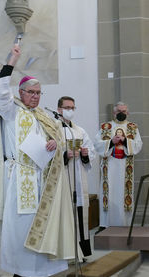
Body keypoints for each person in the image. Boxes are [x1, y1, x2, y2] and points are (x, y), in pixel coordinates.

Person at [0, 44, 76, 277]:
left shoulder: (44, 116)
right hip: (19, 178)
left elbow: (57, 142)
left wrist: (55, 144)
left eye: (38, 93)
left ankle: (41, 273)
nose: (34, 96)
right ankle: (20, 274)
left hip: (43, 179)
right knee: (20, 227)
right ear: (21, 93)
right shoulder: (11, 110)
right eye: (30, 92)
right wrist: (12, 59)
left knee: (42, 224)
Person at [57, 96, 95, 258]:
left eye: (73, 108)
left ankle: (81, 252)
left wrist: (85, 154)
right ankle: (66, 253)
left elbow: (91, 150)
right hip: (63, 177)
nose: (70, 110)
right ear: (59, 110)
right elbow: (47, 152)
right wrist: (65, 155)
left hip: (79, 178)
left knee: (80, 213)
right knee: (65, 214)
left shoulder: (80, 131)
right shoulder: (54, 129)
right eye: (67, 107)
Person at [94, 102, 142, 230]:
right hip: (109, 166)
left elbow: (138, 145)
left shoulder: (133, 127)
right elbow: (97, 144)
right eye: (118, 111)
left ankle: (124, 224)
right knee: (108, 192)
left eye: (124, 111)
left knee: (124, 193)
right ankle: (105, 225)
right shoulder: (105, 127)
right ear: (114, 113)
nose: (121, 113)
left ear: (128, 113)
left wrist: (125, 140)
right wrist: (111, 142)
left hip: (125, 168)